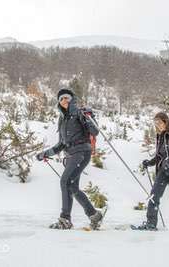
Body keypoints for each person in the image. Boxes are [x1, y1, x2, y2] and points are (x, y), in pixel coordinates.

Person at [36, 88, 103, 230]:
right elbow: (61, 144)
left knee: (65, 181)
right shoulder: (62, 120)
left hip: (82, 151)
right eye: (61, 99)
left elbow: (95, 131)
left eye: (67, 97)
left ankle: (65, 219)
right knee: (72, 186)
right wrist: (45, 153)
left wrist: (89, 116)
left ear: (72, 99)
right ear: (59, 103)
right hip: (71, 154)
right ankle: (94, 215)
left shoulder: (80, 112)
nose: (64, 100)